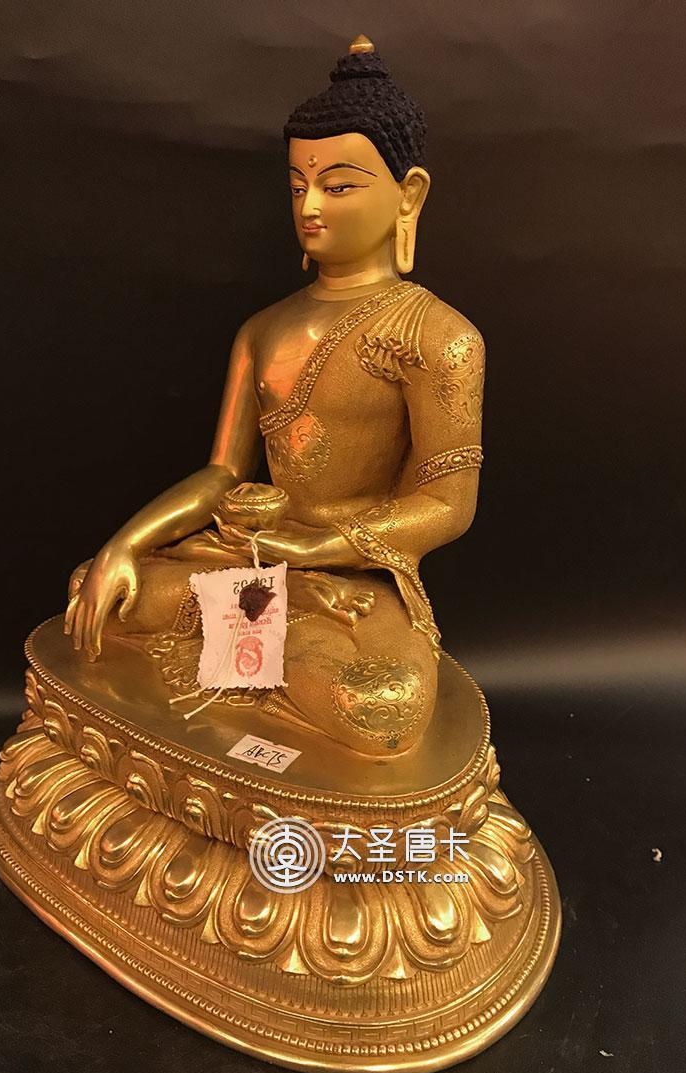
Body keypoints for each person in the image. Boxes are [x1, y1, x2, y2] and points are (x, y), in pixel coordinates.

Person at [64, 35, 486, 756]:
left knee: (380, 705)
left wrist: (320, 546)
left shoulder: (439, 336)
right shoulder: (262, 329)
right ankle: (261, 638)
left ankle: (250, 647)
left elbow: (449, 503)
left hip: (352, 570)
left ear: (409, 194)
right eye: (298, 187)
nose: (310, 206)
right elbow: (224, 473)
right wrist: (124, 544)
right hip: (250, 552)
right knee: (98, 587)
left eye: (339, 186)